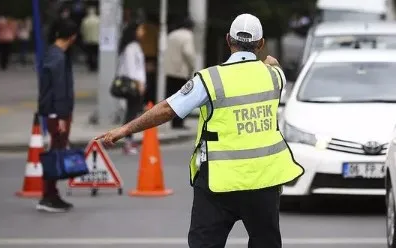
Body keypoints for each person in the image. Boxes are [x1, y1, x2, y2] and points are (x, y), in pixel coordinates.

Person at [96, 13, 304, 248]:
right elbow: (273, 65)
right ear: (261, 43)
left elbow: (167, 109)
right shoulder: (275, 77)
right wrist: (269, 62)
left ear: (228, 40)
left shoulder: (210, 79)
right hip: (264, 182)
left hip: (219, 182)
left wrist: (124, 130)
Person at [37, 20, 78, 213]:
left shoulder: (53, 53)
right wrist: (61, 116)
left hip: (54, 112)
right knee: (55, 154)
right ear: (72, 37)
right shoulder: (59, 58)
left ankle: (51, 194)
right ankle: (48, 196)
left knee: (56, 152)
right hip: (57, 114)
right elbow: (59, 90)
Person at [116, 23, 146, 155]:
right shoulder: (131, 48)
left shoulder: (134, 46)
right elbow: (131, 68)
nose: (143, 32)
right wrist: (138, 83)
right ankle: (128, 142)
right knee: (131, 114)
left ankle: (130, 140)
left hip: (137, 84)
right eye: (140, 29)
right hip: (133, 85)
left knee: (132, 113)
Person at [164, 17, 196, 129]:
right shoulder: (188, 36)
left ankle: (173, 122)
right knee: (183, 98)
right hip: (181, 72)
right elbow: (188, 52)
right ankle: (179, 123)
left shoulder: (172, 35)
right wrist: (192, 65)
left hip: (169, 71)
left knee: (171, 98)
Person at [80, 7, 100, 71]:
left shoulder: (85, 20)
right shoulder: (98, 20)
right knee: (96, 53)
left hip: (88, 39)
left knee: (89, 54)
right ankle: (96, 65)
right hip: (97, 39)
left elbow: (82, 31)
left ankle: (91, 66)